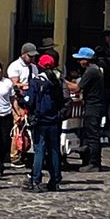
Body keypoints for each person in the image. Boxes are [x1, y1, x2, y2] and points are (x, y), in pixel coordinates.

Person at [25, 52, 65, 191]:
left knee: (39, 150)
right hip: (54, 120)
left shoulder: (36, 82)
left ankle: (36, 180)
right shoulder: (56, 82)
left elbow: (29, 102)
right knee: (54, 150)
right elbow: (62, 101)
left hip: (40, 121)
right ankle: (55, 180)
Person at [71, 48, 105, 170]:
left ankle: (94, 163)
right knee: (88, 135)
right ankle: (87, 160)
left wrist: (62, 81)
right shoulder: (95, 69)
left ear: (87, 60)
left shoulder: (91, 71)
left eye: (80, 59)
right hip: (94, 105)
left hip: (93, 106)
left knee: (92, 136)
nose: (79, 62)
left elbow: (76, 88)